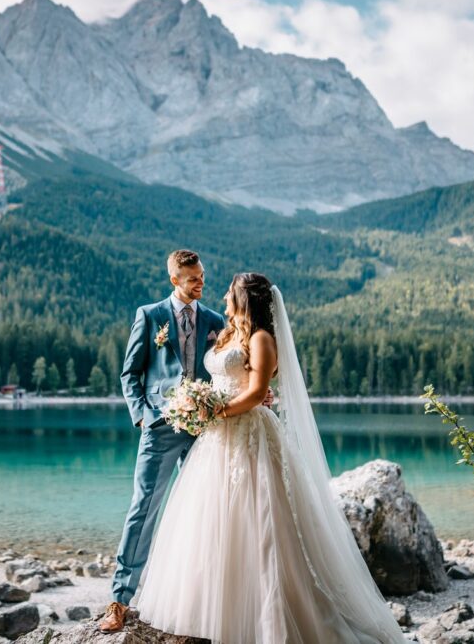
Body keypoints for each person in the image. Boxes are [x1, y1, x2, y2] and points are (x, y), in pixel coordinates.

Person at [131, 273, 405, 643]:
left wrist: (215, 412)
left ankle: (266, 618)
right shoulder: (228, 334)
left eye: (230, 293)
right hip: (217, 439)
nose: (224, 297)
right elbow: (221, 378)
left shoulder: (261, 339)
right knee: (212, 520)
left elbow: (257, 391)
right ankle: (211, 610)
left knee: (257, 518)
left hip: (248, 433)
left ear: (244, 299)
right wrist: (199, 402)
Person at [101, 249, 225, 633]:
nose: (200, 283)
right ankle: (120, 600)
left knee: (206, 512)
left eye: (202, 276)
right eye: (193, 278)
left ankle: (199, 600)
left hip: (206, 430)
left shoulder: (215, 320)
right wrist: (143, 416)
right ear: (175, 279)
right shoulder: (150, 315)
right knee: (143, 510)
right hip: (160, 427)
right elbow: (129, 374)